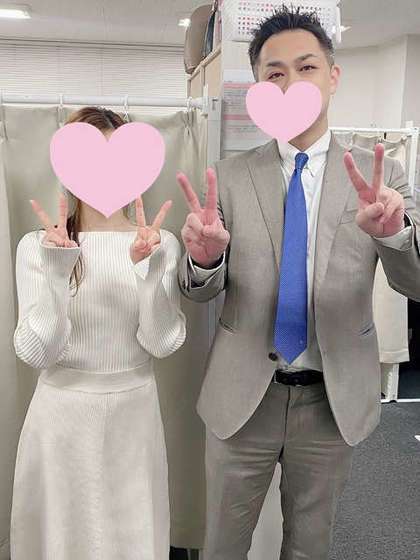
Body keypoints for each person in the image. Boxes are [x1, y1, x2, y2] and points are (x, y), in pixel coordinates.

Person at [177, 6, 420, 560]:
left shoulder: (382, 175)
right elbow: (197, 292)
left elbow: (415, 284)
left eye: (306, 67)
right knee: (221, 545)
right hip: (243, 394)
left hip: (332, 398)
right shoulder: (230, 178)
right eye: (275, 73)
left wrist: (394, 235)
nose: (291, 82)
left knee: (311, 546)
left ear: (333, 76)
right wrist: (205, 262)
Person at [11, 106, 186, 560]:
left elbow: (162, 342)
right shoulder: (38, 246)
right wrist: (56, 272)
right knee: (62, 538)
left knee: (131, 537)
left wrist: (150, 272)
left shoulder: (160, 243)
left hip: (134, 413)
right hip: (61, 416)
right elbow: (36, 352)